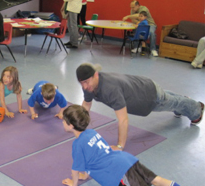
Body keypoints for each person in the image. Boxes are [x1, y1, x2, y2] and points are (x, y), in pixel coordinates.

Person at [62, 104, 204, 186]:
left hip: (119, 173)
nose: (62, 122)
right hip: (126, 160)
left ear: (71, 125)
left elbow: (76, 168)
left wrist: (74, 183)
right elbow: (91, 160)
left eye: (64, 120)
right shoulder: (91, 132)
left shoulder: (77, 144)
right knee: (157, 180)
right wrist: (85, 175)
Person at [76, 63, 204, 151]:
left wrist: (120, 146)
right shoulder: (89, 86)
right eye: (81, 83)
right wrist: (80, 127)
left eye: (86, 82)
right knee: (169, 99)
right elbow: (86, 104)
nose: (85, 86)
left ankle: (197, 108)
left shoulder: (110, 89)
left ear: (96, 75)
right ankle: (183, 102)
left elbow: (123, 120)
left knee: (171, 103)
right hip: (140, 86)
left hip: (149, 95)